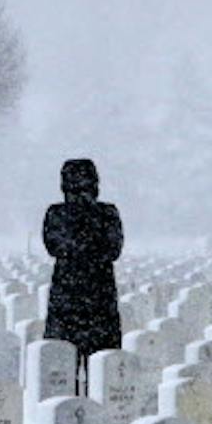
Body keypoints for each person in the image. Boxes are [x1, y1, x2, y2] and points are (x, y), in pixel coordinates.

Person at [42, 158, 123, 392]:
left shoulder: (58, 215)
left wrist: (77, 248)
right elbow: (111, 249)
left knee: (69, 369)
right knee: (94, 369)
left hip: (71, 298)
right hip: (97, 299)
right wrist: (91, 247)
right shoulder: (106, 215)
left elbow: (57, 247)